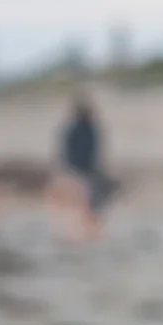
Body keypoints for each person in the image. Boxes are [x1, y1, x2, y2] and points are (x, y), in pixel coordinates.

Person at [47, 93, 116, 240]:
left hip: (86, 170)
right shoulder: (77, 129)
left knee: (93, 200)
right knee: (84, 201)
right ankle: (84, 230)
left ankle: (89, 229)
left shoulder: (88, 128)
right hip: (79, 170)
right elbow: (68, 151)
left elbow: (93, 151)